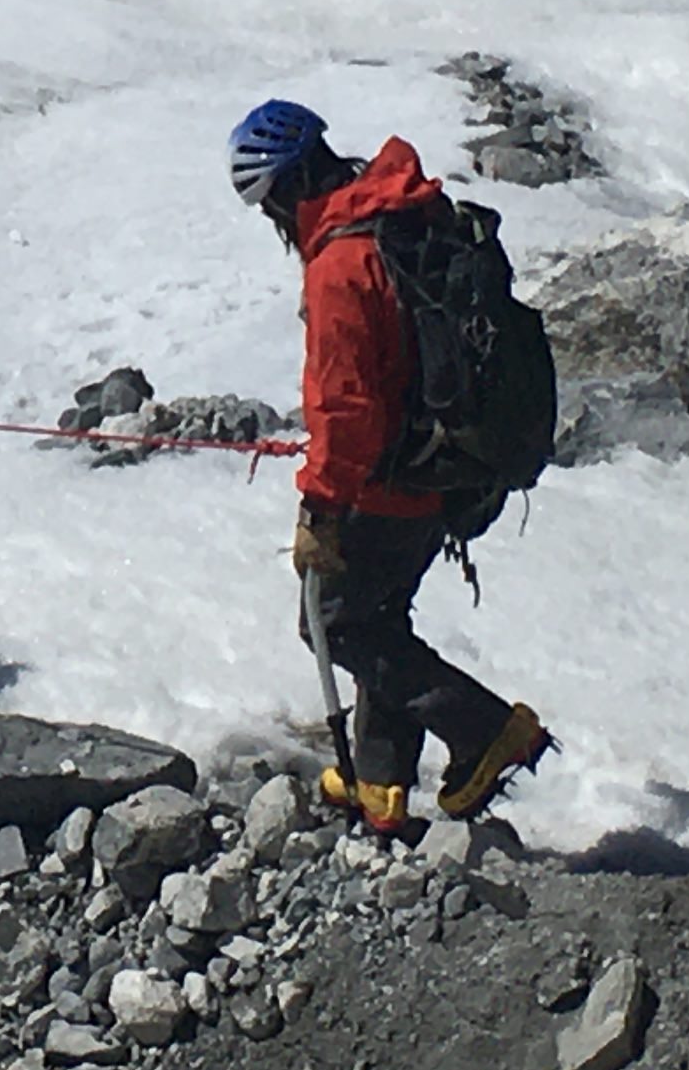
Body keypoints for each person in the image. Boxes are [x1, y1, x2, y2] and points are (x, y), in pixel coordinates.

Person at [229, 99, 550, 835]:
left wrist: (320, 511)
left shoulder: (341, 265)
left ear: (280, 191)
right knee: (379, 615)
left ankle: (486, 731)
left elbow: (346, 412)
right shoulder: (401, 208)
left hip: (391, 481)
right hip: (449, 463)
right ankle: (381, 783)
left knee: (339, 627)